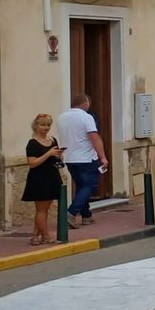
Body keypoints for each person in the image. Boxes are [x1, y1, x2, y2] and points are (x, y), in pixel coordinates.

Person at [56, 92, 108, 227]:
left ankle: (86, 215)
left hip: (69, 158)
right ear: (85, 104)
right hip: (86, 158)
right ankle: (71, 213)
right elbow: (94, 137)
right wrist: (103, 157)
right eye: (88, 105)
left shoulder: (61, 117)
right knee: (88, 186)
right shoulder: (86, 117)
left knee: (81, 186)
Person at [22, 114, 66, 245]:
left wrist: (58, 156)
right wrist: (48, 153)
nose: (46, 128)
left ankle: (35, 236)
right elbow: (32, 163)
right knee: (41, 209)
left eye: (48, 125)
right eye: (43, 125)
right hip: (39, 178)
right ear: (35, 126)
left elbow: (56, 159)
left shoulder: (53, 140)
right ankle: (45, 236)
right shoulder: (32, 143)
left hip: (52, 175)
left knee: (46, 209)